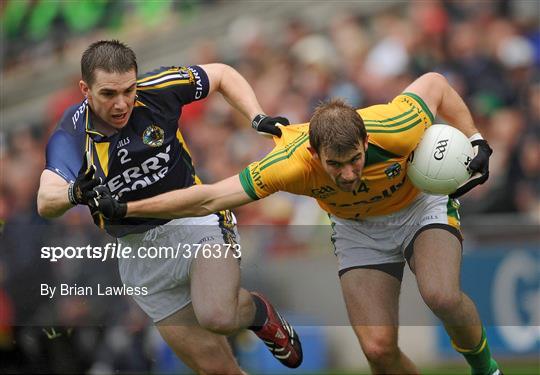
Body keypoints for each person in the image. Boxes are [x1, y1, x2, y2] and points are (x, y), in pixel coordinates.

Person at [94, 72, 502, 375]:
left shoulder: (395, 124)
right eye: (334, 165)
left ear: (364, 141)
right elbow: (211, 197)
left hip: (418, 208)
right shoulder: (288, 162)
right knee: (378, 349)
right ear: (314, 153)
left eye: (355, 159)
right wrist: (129, 209)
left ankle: (487, 370)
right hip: (357, 228)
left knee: (441, 295)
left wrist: (477, 138)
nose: (346, 174)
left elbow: (436, 82)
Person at [36, 40, 303, 373]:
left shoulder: (159, 90)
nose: (121, 104)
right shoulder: (72, 132)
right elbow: (45, 200)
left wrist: (256, 115)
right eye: (108, 94)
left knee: (217, 315)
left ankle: (258, 312)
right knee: (216, 370)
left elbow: (220, 74)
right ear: (84, 89)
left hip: (193, 220)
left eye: (128, 90)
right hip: (139, 254)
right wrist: (75, 193)